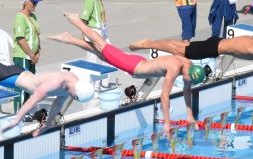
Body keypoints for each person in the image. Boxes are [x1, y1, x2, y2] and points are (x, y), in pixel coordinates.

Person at [49, 12, 202, 136]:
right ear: (189, 73)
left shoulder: (188, 65)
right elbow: (164, 96)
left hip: (139, 62)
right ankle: (76, 20)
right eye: (188, 79)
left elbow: (187, 89)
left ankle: (68, 38)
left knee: (104, 54)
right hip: (132, 65)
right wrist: (167, 123)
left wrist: (190, 115)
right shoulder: (175, 68)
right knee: (101, 44)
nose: (187, 81)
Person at [128, 35, 253, 77]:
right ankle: (147, 43)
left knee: (182, 46)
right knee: (179, 49)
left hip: (218, 42)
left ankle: (148, 43)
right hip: (215, 48)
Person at [13, 0, 42, 113]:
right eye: (33, 2)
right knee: (22, 85)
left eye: (36, 3)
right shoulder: (20, 17)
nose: (35, 5)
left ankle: (26, 110)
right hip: (23, 56)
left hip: (32, 56)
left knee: (30, 85)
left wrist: (38, 51)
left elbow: (36, 35)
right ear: (25, 3)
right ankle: (18, 112)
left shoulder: (33, 16)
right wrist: (31, 54)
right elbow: (21, 39)